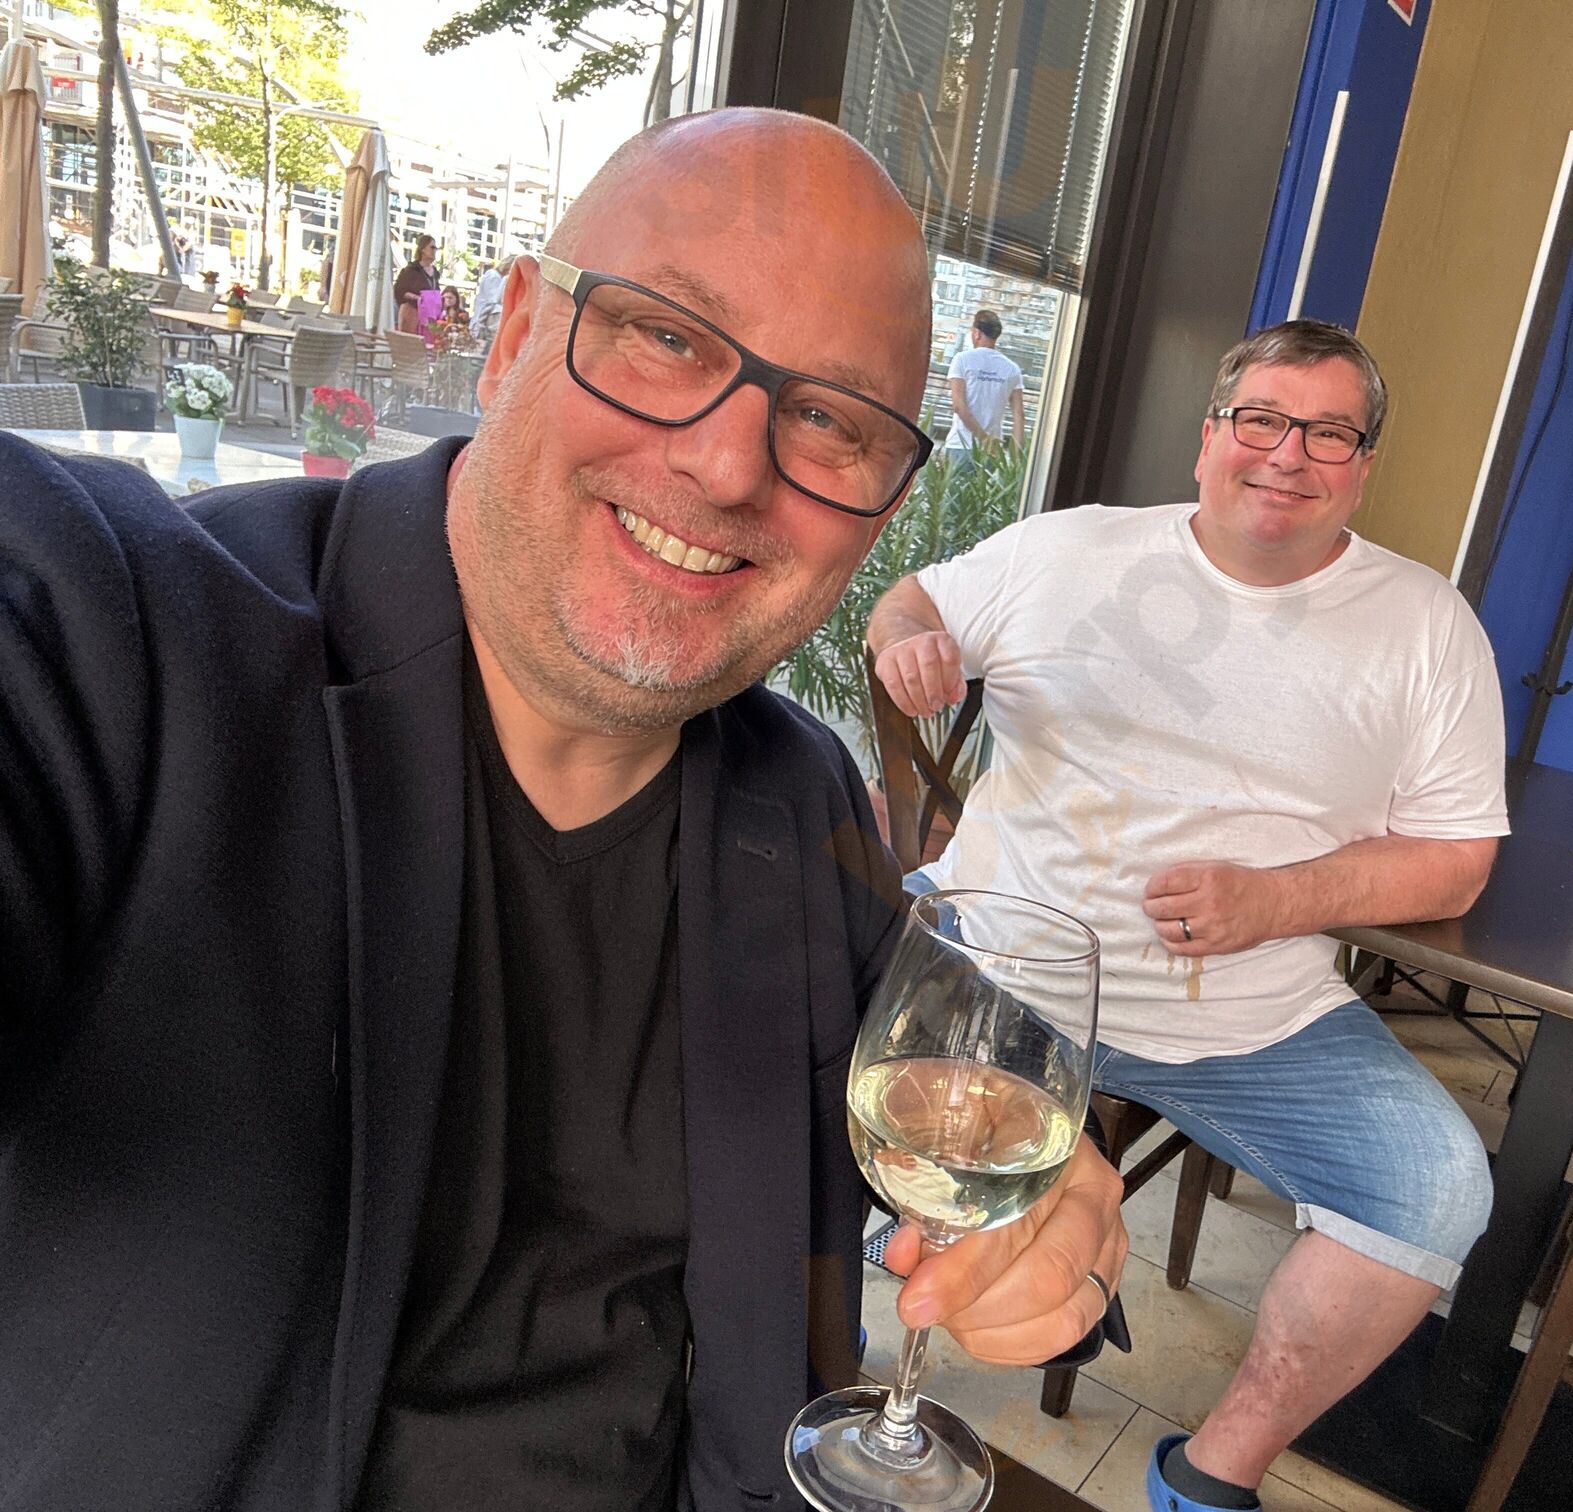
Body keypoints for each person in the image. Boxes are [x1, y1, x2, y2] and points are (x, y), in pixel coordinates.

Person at [0, 109, 1124, 1511]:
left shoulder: (797, 797)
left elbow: (979, 1088)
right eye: (667, 337)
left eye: (831, 420)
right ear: (516, 331)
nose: (728, 465)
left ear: (883, 507)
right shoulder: (130, 635)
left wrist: (1060, 1229)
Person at [869, 320, 1506, 1512]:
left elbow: (1457, 865)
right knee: (830, 1092)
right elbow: (908, 601)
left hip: (1249, 1025)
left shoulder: (1428, 628)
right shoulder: (1071, 550)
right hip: (1003, 975)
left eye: (1328, 433)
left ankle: (1214, 1476)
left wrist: (1283, 898)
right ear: (1210, 437)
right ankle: (878, 1348)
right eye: (1261, 419)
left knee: (1436, 1189)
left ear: (1364, 464)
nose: (1288, 454)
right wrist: (910, 643)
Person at [943, 308, 1025, 462]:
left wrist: (984, 438)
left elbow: (959, 406)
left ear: (977, 333)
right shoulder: (1012, 369)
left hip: (961, 445)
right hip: (992, 452)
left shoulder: (962, 360)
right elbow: (1019, 414)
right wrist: (1017, 458)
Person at [394, 233, 441, 334]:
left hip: (429, 316)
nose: (435, 251)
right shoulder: (411, 270)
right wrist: (416, 298)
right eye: (432, 247)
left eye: (436, 248)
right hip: (412, 314)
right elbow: (399, 291)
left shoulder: (435, 273)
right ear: (423, 249)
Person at [473, 254, 512, 340]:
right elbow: (494, 299)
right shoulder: (494, 277)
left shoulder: (491, 274)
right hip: (486, 319)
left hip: (482, 317)